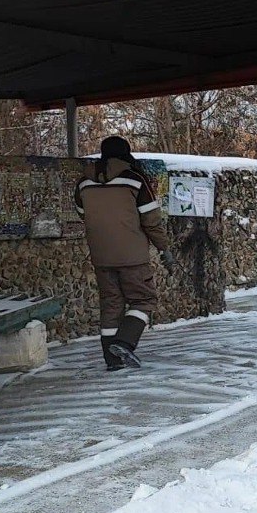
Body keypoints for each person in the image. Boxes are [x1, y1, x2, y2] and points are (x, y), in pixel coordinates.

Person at [75, 136, 175, 370]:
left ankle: (113, 361)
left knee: (111, 305)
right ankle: (125, 343)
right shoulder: (135, 179)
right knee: (144, 299)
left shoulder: (83, 183)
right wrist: (164, 249)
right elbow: (151, 221)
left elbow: (83, 213)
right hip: (132, 256)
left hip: (101, 255)